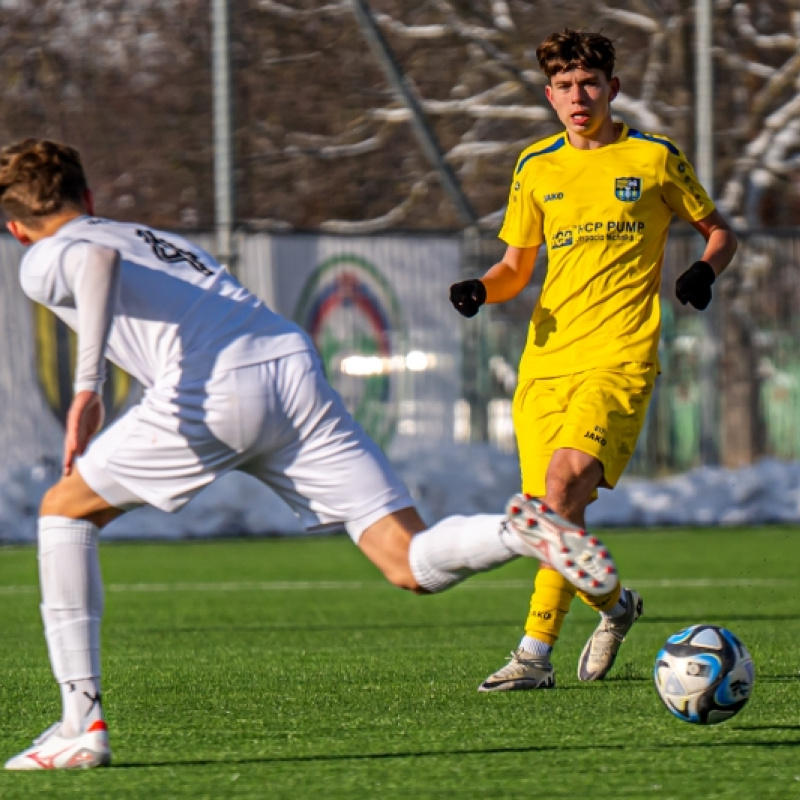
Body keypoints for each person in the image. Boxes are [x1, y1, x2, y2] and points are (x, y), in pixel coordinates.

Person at [0, 138, 620, 770]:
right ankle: (518, 531)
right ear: (90, 196)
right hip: (288, 364)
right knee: (407, 560)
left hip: (211, 386)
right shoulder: (147, 235)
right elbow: (116, 256)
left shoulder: (48, 252)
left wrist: (88, 390)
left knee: (63, 511)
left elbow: (94, 262)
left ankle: (80, 724)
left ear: (18, 229)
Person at [450, 29, 737, 692]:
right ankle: (615, 606)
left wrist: (703, 269)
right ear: (549, 96)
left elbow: (719, 229)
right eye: (565, 87)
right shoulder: (536, 168)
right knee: (551, 518)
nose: (578, 97)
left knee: (557, 493)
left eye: (590, 84)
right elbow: (514, 268)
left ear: (613, 87)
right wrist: (481, 288)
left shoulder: (654, 158)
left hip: (620, 355)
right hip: (546, 363)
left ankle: (533, 654)